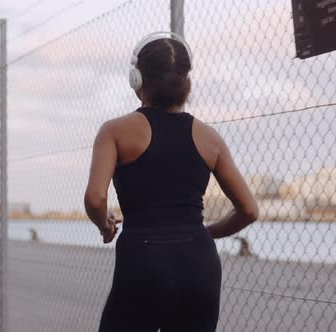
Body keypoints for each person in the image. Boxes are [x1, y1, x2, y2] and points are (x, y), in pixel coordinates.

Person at [84, 32, 259, 332]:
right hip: (199, 263)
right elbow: (249, 210)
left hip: (142, 261)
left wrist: (105, 226)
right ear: (185, 83)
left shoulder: (115, 131)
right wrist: (205, 233)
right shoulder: (209, 137)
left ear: (136, 80)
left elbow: (95, 199)